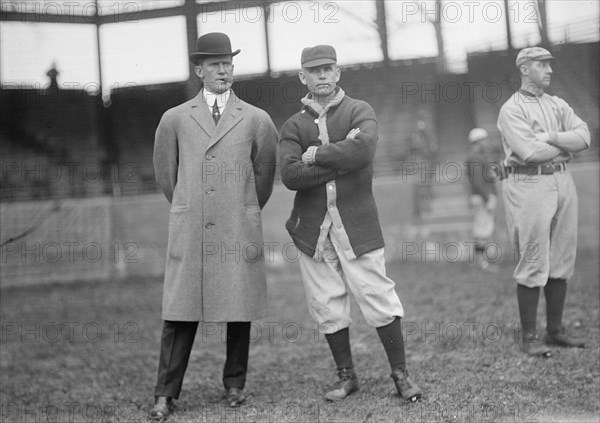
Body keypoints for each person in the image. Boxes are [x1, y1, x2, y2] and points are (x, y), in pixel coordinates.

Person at [278, 45, 422, 402]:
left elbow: (364, 151)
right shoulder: (294, 125)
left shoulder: (359, 109)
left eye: (328, 68)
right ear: (303, 77)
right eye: (315, 71)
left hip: (356, 222)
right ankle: (347, 376)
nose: (323, 75)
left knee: (378, 294)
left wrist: (320, 155)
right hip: (312, 227)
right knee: (326, 303)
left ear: (338, 72)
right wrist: (343, 158)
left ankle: (400, 374)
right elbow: (291, 175)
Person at [150, 32, 278, 420]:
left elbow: (264, 176)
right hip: (191, 227)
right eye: (214, 64)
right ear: (199, 70)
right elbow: (166, 176)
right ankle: (165, 393)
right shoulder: (174, 118)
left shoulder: (257, 119)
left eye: (227, 63)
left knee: (238, 306)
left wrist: (241, 208)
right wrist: (190, 205)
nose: (223, 70)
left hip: (237, 226)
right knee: (180, 310)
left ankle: (235, 384)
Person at [497, 47, 590, 357]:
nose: (549, 69)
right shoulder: (512, 109)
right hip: (529, 180)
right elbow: (530, 152)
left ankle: (555, 331)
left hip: (563, 179)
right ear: (525, 68)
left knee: (562, 256)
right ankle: (530, 337)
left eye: (549, 64)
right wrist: (564, 144)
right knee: (533, 255)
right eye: (541, 64)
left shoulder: (557, 103)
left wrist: (550, 137)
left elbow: (585, 137)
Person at [465, 128, 498, 271]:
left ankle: (481, 262)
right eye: (484, 140)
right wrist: (488, 197)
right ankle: (482, 263)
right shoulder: (474, 158)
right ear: (478, 141)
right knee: (482, 232)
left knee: (483, 230)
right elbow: (478, 182)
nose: (486, 143)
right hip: (482, 198)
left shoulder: (479, 156)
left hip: (483, 197)